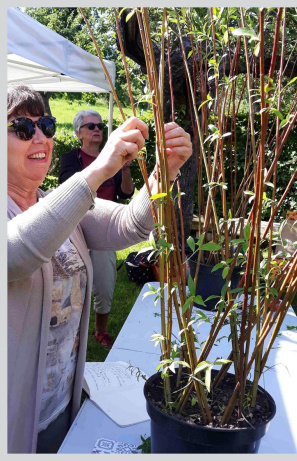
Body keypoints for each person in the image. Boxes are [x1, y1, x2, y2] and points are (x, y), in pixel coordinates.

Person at [7, 85, 192, 453]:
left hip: (61, 404)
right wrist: (99, 170)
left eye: (45, 124)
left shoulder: (55, 203)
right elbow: (17, 253)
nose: (40, 135)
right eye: (23, 129)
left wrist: (163, 173)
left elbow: (131, 224)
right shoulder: (59, 203)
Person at [58, 110, 135, 350]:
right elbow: (68, 190)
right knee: (71, 285)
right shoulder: (71, 158)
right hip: (76, 228)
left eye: (100, 126)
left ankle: (100, 331)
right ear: (78, 133)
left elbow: (127, 193)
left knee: (104, 283)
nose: (97, 129)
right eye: (90, 126)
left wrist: (124, 168)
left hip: (104, 230)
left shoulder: (112, 158)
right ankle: (71, 332)